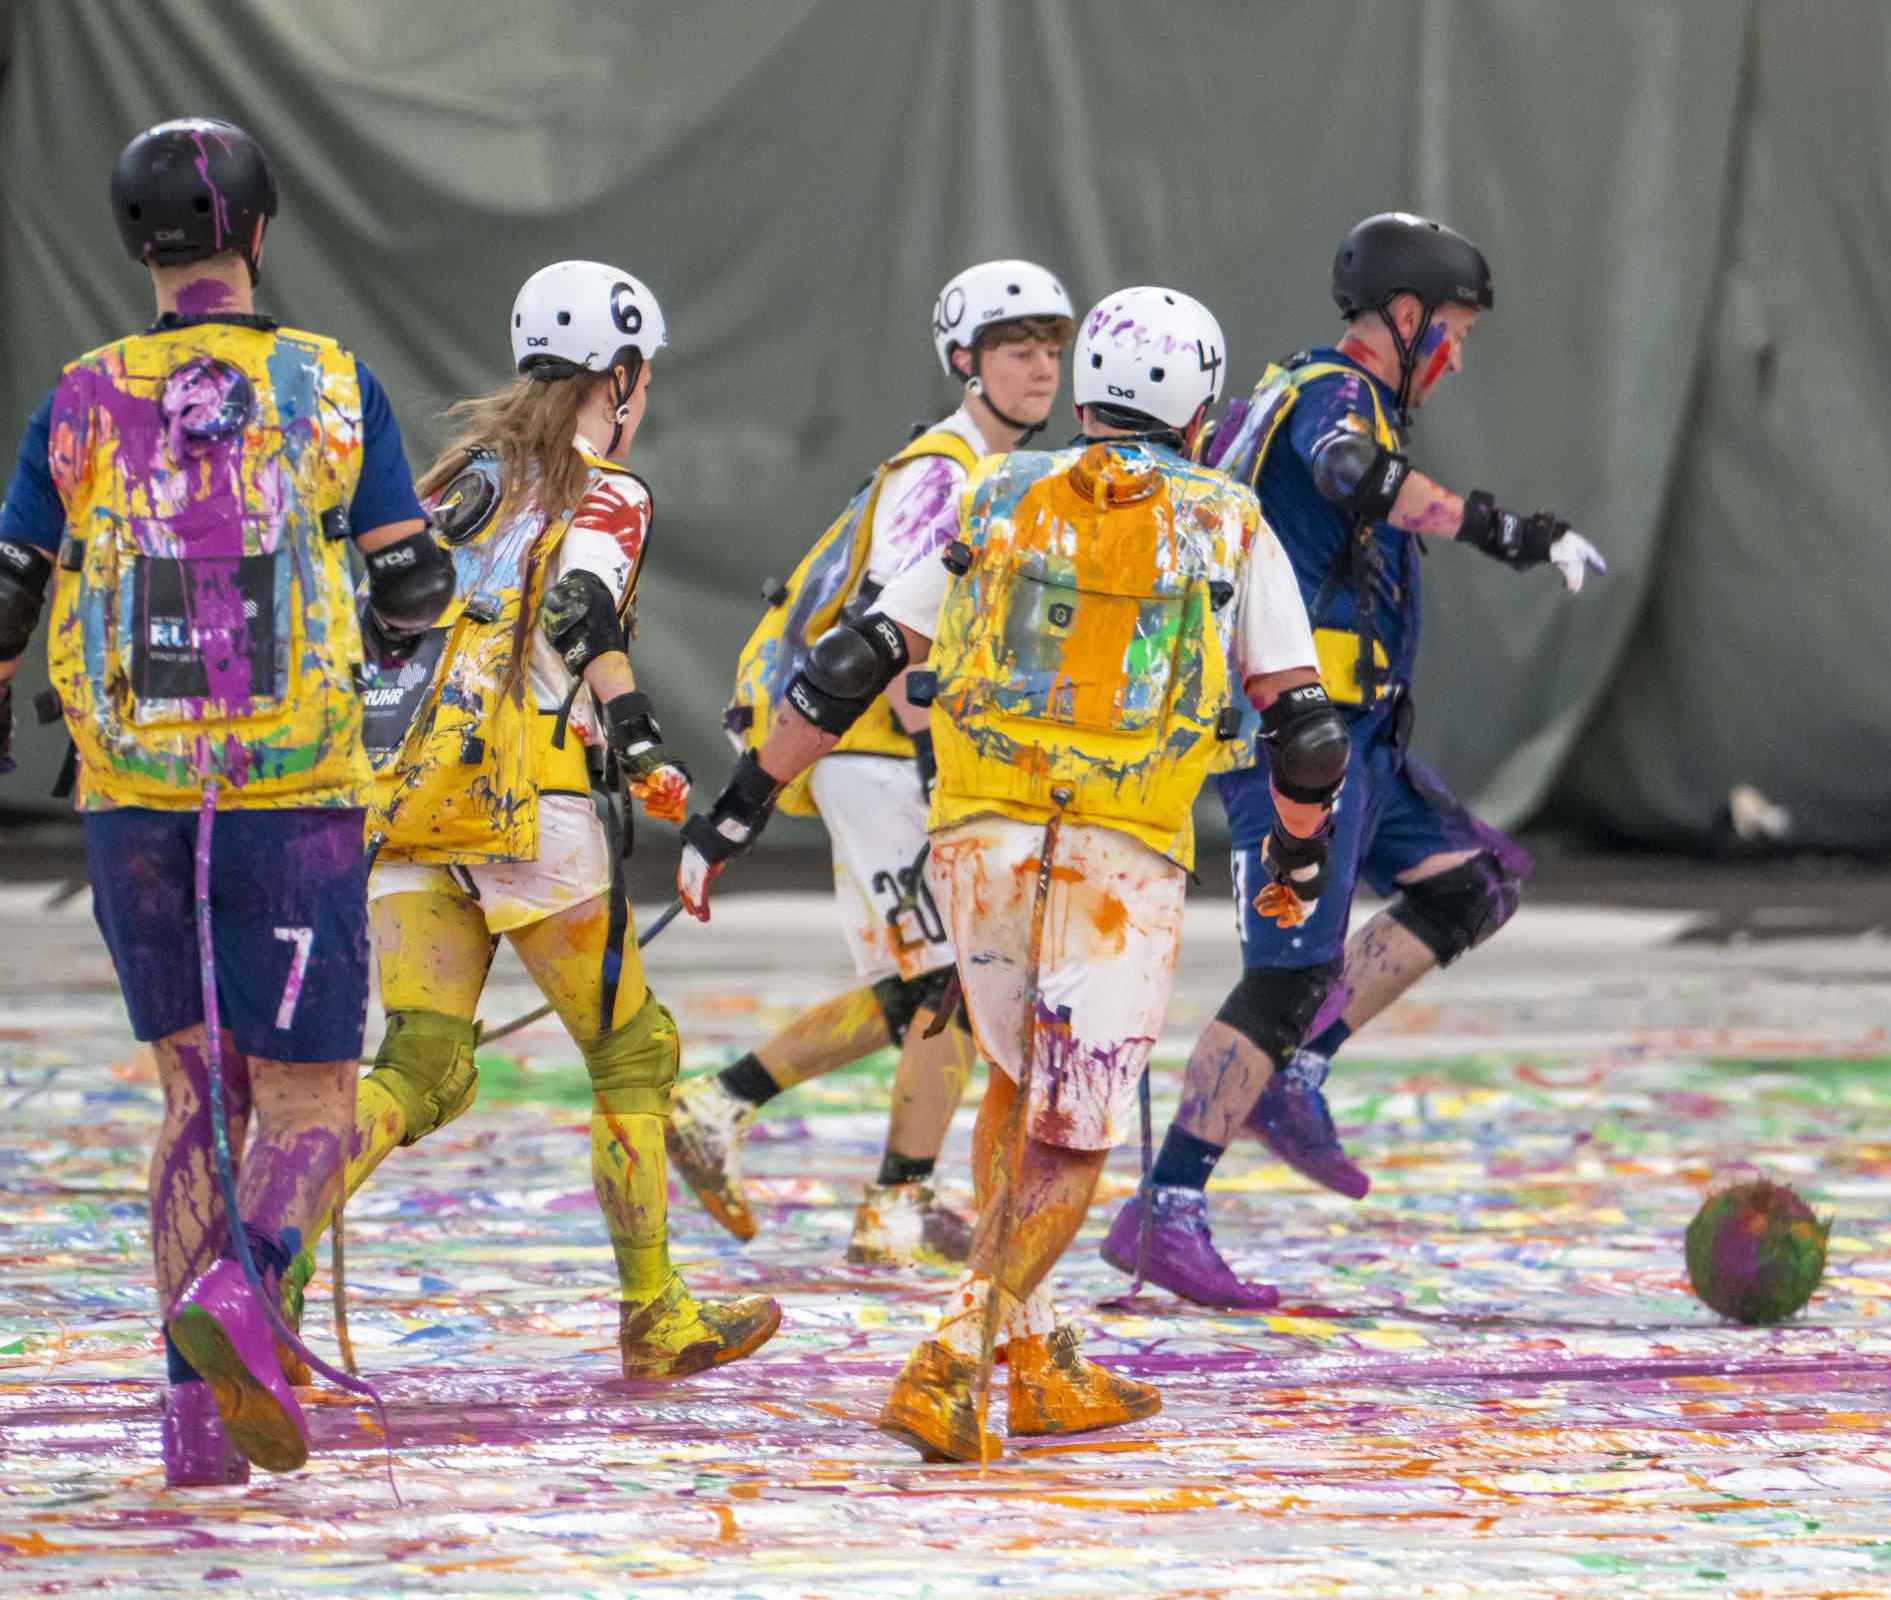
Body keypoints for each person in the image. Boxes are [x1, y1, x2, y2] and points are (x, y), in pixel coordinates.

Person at [677, 285, 1345, 1462]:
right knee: (1076, 1130)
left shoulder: (997, 491)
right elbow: (1304, 731)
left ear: (1084, 385)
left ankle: (1036, 1365)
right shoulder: (1225, 519)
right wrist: (1294, 857)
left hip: (979, 835)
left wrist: (736, 809)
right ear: (1200, 404)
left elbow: (854, 658)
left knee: (1010, 1081)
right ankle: (956, 1345)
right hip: (1117, 854)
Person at [0, 118, 444, 1483]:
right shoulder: (328, 384)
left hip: (132, 786)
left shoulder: (79, 397)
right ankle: (238, 1303)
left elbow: (13, 589)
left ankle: (194, 1429)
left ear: (139, 242)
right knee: (309, 1101)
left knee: (196, 1093)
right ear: (259, 232)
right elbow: (412, 586)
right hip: (293, 785)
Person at [1098, 212, 1605, 1307]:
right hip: (1299, 738)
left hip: (1362, 730)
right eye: (1455, 329)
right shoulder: (1336, 397)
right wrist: (1504, 531)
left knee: (1471, 886)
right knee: (1283, 974)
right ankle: (1166, 1206)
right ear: (1406, 316)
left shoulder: (1339, 393)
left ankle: (1297, 1072)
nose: (1460, 354)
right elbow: (1349, 473)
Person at [290, 261, 782, 1382]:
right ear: (620, 375)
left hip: (407, 800)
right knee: (633, 1050)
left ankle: (264, 1271)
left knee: (419, 1064)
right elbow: (579, 605)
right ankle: (655, 1311)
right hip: (528, 805)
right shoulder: (608, 487)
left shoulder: (453, 476)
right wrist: (643, 737)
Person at [664, 261, 1073, 1265]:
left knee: (930, 986)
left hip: (888, 750)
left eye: (1052, 348)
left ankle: (752, 1120)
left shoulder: (987, 468)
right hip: (879, 749)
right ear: (964, 361)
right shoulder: (944, 471)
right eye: (1018, 348)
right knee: (948, 983)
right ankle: (851, 1178)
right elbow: (899, 633)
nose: (1042, 367)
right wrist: (946, 771)